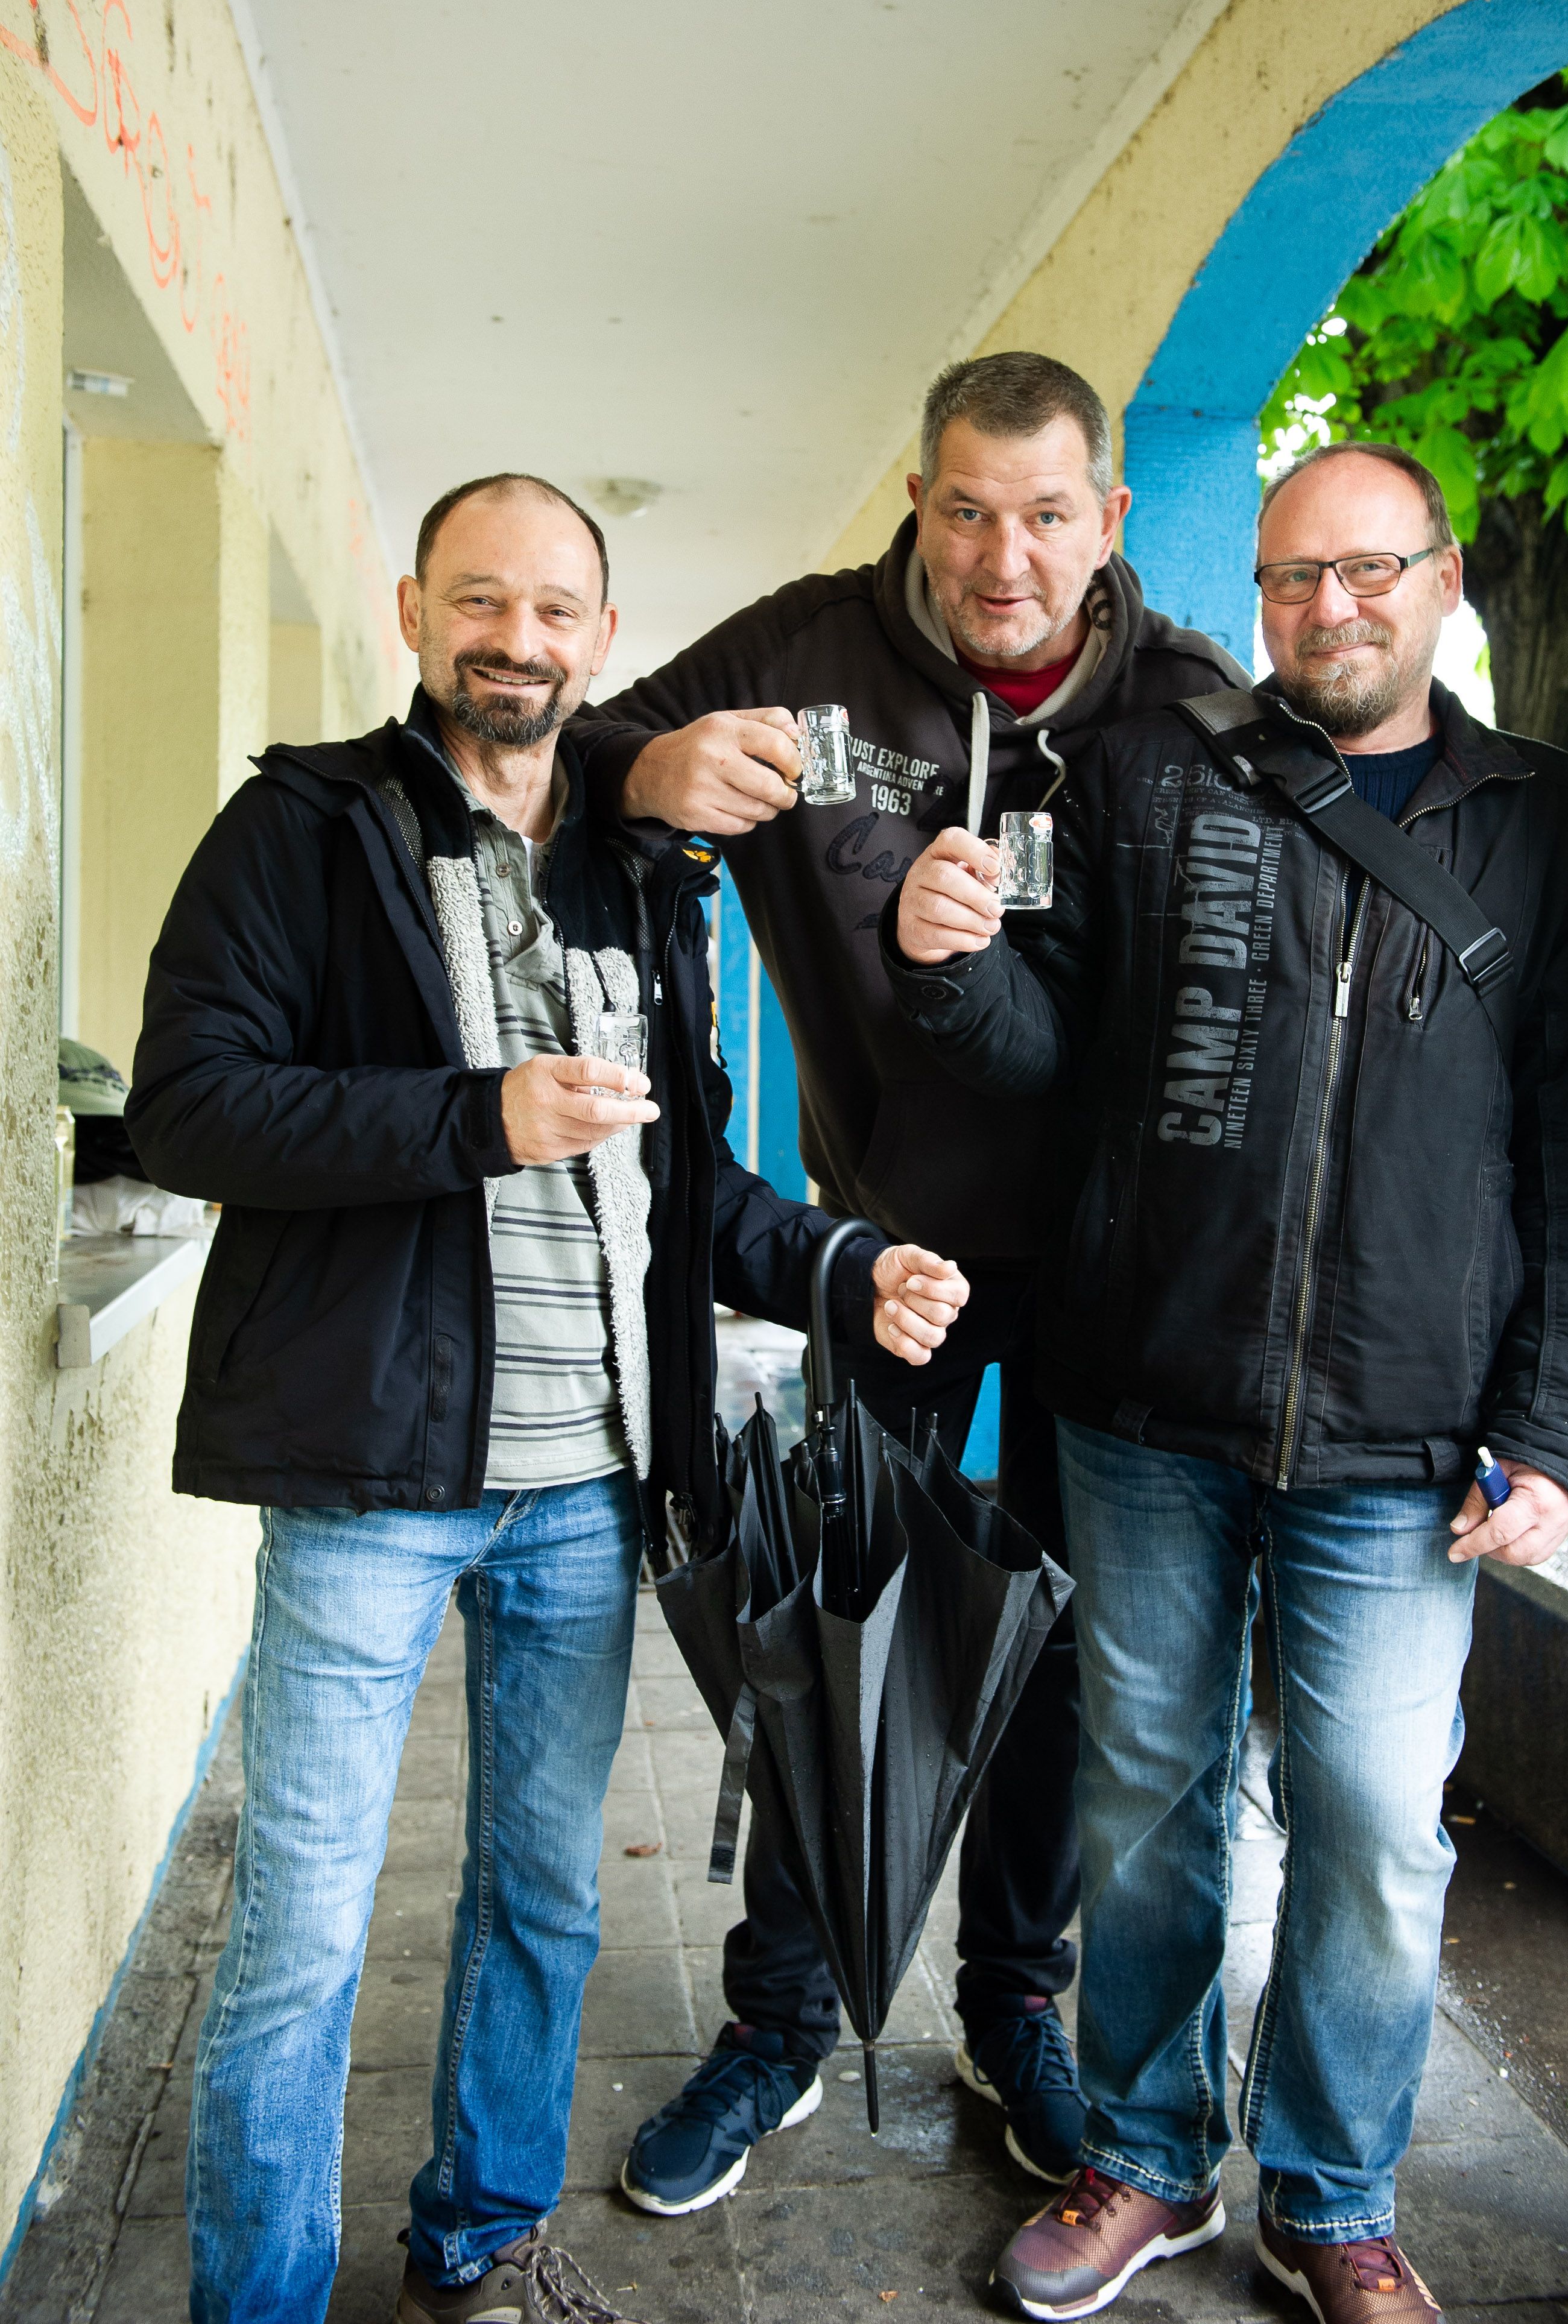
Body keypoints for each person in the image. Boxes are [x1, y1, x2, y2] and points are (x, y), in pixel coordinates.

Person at [126, 473, 969, 2324]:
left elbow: (689, 1188)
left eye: (559, 611)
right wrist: (472, 1118)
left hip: (591, 1486)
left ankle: (483, 2236)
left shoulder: (634, 871)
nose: (520, 641)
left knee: (542, 1904)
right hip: (364, 1478)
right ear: (414, 607)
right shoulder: (302, 830)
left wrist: (842, 1266)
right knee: (299, 1936)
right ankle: (254, 2304)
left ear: (604, 634)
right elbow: (189, 1104)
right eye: (482, 603)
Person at [885, 438, 1568, 2324]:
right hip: (1143, 1398)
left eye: (1372, 569)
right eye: (1299, 575)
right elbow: (1041, 1038)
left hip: (1409, 1431)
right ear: (1265, 591)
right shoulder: (1154, 774)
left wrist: (1563, 1430)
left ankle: (1333, 2192)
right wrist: (949, 959)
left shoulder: (1542, 818)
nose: (1334, 605)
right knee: (1148, 1794)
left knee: (1379, 1819)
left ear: (1444, 579)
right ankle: (1147, 2158)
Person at [568, 352, 1246, 2211]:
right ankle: (779, 2016)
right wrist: (646, 763)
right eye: (966, 510)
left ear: (1107, 516)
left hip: (1116, 1276)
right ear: (922, 503)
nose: (1002, 556)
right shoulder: (809, 647)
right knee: (844, 1630)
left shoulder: (1188, 710)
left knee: (1065, 1656)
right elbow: (555, 757)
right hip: (897, 1260)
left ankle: (1014, 1995)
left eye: (1044, 514)